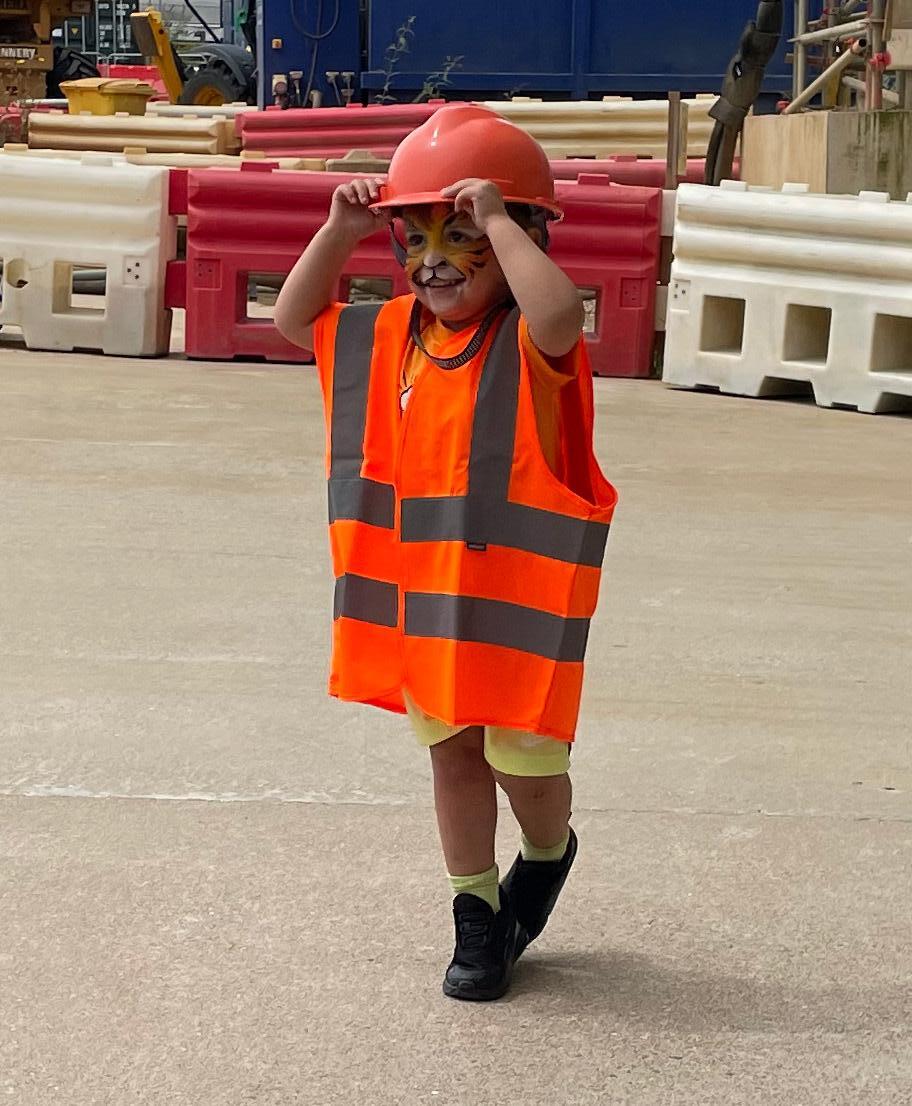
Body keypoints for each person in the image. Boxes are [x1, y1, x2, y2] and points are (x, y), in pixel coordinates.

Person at [275, 104, 617, 1002]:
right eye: (416, 238)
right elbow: (293, 318)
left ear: (519, 236)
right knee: (453, 760)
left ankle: (547, 850)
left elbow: (560, 315)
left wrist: (498, 220)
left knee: (525, 772)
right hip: (426, 612)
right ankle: (475, 911)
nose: (434, 261)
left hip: (520, 629)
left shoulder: (532, 341)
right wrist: (339, 230)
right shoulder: (390, 334)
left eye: (459, 238)